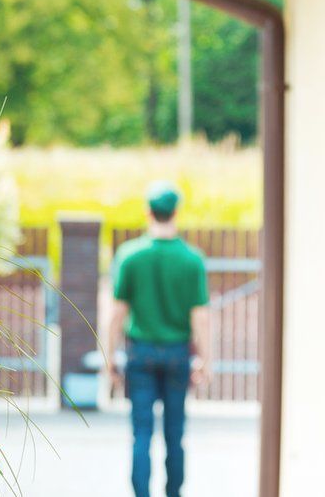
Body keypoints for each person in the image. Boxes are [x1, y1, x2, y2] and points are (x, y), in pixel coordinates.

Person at [106, 182, 212, 497]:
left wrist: (110, 356)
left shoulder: (130, 255)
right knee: (174, 435)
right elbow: (200, 317)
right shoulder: (192, 260)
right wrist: (206, 359)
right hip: (178, 354)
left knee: (141, 434)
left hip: (139, 355)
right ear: (176, 213)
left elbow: (117, 313)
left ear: (148, 212)